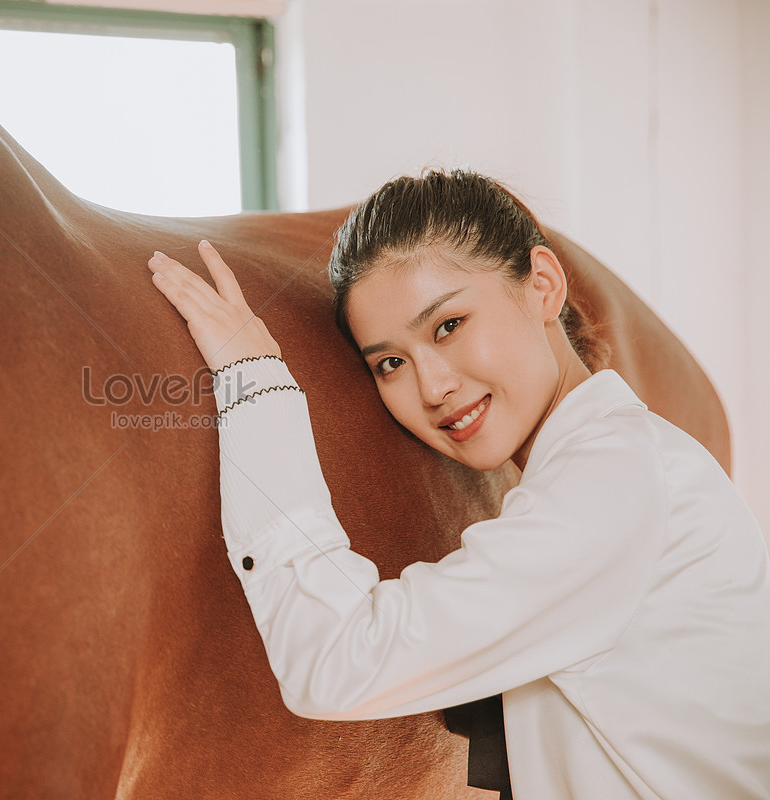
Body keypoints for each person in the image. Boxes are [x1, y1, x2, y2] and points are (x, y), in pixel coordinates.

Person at [146, 169, 770, 799]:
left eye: (448, 325)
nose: (433, 386)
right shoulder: (613, 465)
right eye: (391, 363)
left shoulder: (614, 480)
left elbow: (337, 661)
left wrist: (253, 381)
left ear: (543, 286)